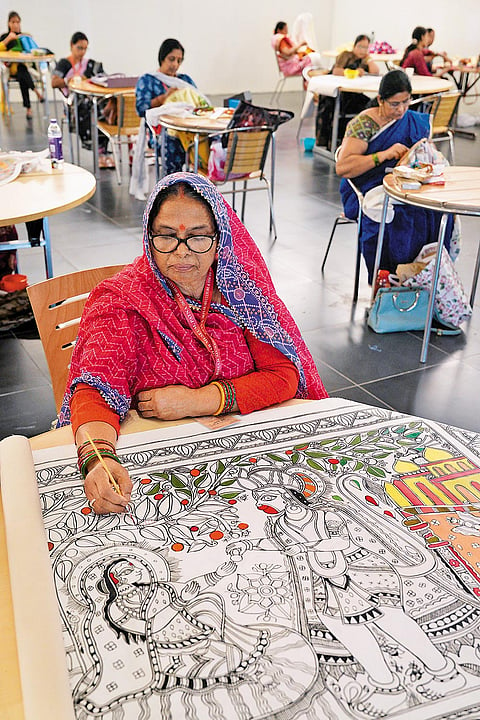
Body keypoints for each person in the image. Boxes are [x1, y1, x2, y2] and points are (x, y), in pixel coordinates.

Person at [58, 172, 328, 514]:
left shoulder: (239, 292)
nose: (182, 254)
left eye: (198, 237)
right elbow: (94, 392)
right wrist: (99, 461)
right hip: (152, 467)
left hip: (237, 459)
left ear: (220, 240)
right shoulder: (122, 300)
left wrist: (197, 400)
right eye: (167, 237)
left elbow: (282, 376)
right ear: (148, 237)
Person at [336, 69, 453, 284]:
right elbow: (343, 167)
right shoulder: (364, 124)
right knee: (398, 215)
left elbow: (429, 153)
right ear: (380, 99)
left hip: (408, 185)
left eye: (406, 102)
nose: (401, 110)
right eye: (394, 104)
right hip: (369, 187)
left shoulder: (415, 121)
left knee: (438, 212)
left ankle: (424, 280)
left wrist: (421, 158)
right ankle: (388, 279)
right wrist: (383, 155)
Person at [136, 38, 201, 175]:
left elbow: (199, 103)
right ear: (162, 58)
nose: (175, 65)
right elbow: (141, 109)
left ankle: (201, 186)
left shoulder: (184, 80)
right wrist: (164, 98)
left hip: (187, 129)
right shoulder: (148, 80)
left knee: (208, 140)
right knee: (172, 142)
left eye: (179, 60)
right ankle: (172, 186)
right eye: (171, 59)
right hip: (160, 132)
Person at [51, 32, 113, 169]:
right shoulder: (64, 63)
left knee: (107, 105)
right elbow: (54, 82)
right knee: (90, 108)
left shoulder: (91, 65)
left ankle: (103, 150)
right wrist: (70, 80)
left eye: (85, 48)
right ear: (71, 46)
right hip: (74, 102)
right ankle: (100, 151)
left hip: (92, 97)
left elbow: (104, 78)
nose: (82, 52)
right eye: (79, 48)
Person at [316, 35, 379, 150]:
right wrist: (353, 72)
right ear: (354, 46)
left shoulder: (364, 60)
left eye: (366, 47)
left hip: (353, 92)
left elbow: (375, 71)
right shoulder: (346, 55)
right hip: (337, 93)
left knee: (371, 104)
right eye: (360, 46)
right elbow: (336, 70)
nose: (363, 50)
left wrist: (369, 59)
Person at [0, 11, 44, 119]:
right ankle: (36, 92)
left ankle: (29, 108)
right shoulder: (5, 37)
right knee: (21, 72)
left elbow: (31, 50)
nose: (16, 24)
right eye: (13, 22)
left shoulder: (23, 37)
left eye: (18, 22)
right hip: (10, 69)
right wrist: (9, 39)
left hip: (24, 68)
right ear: (9, 23)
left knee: (22, 74)